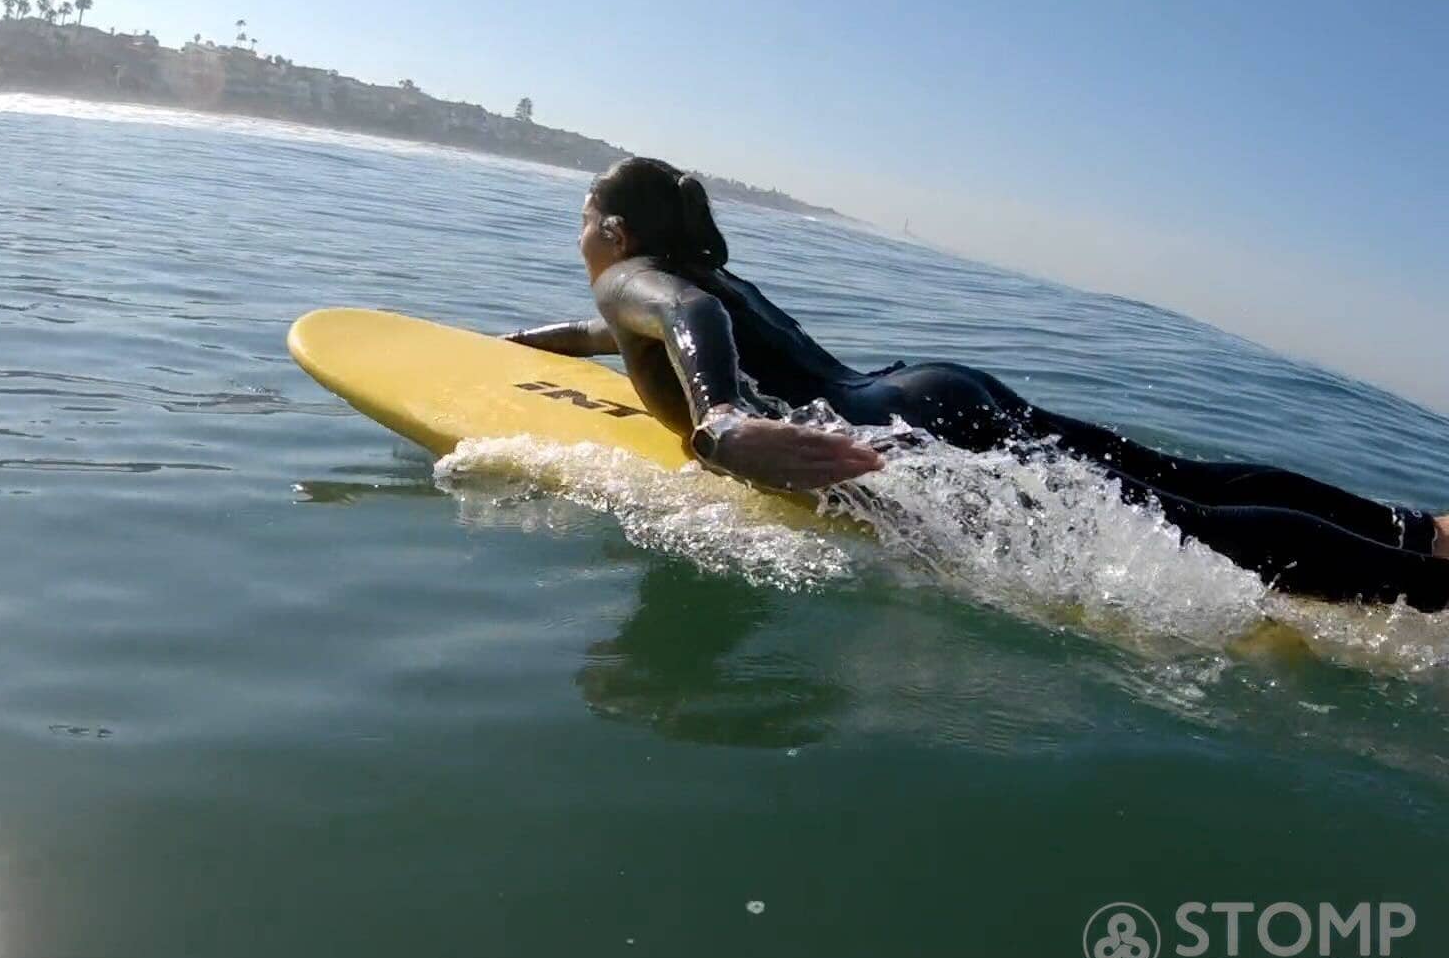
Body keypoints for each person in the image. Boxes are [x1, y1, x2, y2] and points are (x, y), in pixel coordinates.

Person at [502, 157, 1449, 612]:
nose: (579, 236)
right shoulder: (684, 275)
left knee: (1175, 526)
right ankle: (1418, 532)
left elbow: (684, 328)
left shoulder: (636, 280)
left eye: (583, 218)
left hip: (897, 429)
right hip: (926, 387)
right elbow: (628, 332)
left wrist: (718, 426)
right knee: (1174, 479)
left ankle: (1426, 593)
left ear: (616, 234)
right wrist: (523, 340)